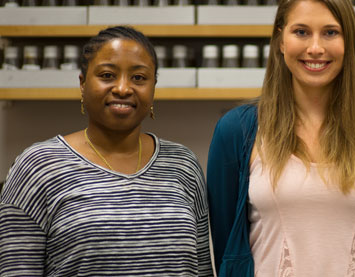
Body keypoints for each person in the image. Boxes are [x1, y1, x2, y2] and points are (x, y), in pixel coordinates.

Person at [207, 0, 355, 276]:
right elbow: (229, 249)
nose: (316, 48)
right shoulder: (235, 131)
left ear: (349, 42)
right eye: (301, 32)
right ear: (281, 40)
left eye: (331, 32)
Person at [0, 26, 212, 276]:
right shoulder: (38, 166)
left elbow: (201, 270)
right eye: (107, 75)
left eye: (139, 78)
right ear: (82, 83)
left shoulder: (183, 165)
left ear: (153, 87)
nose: (123, 88)